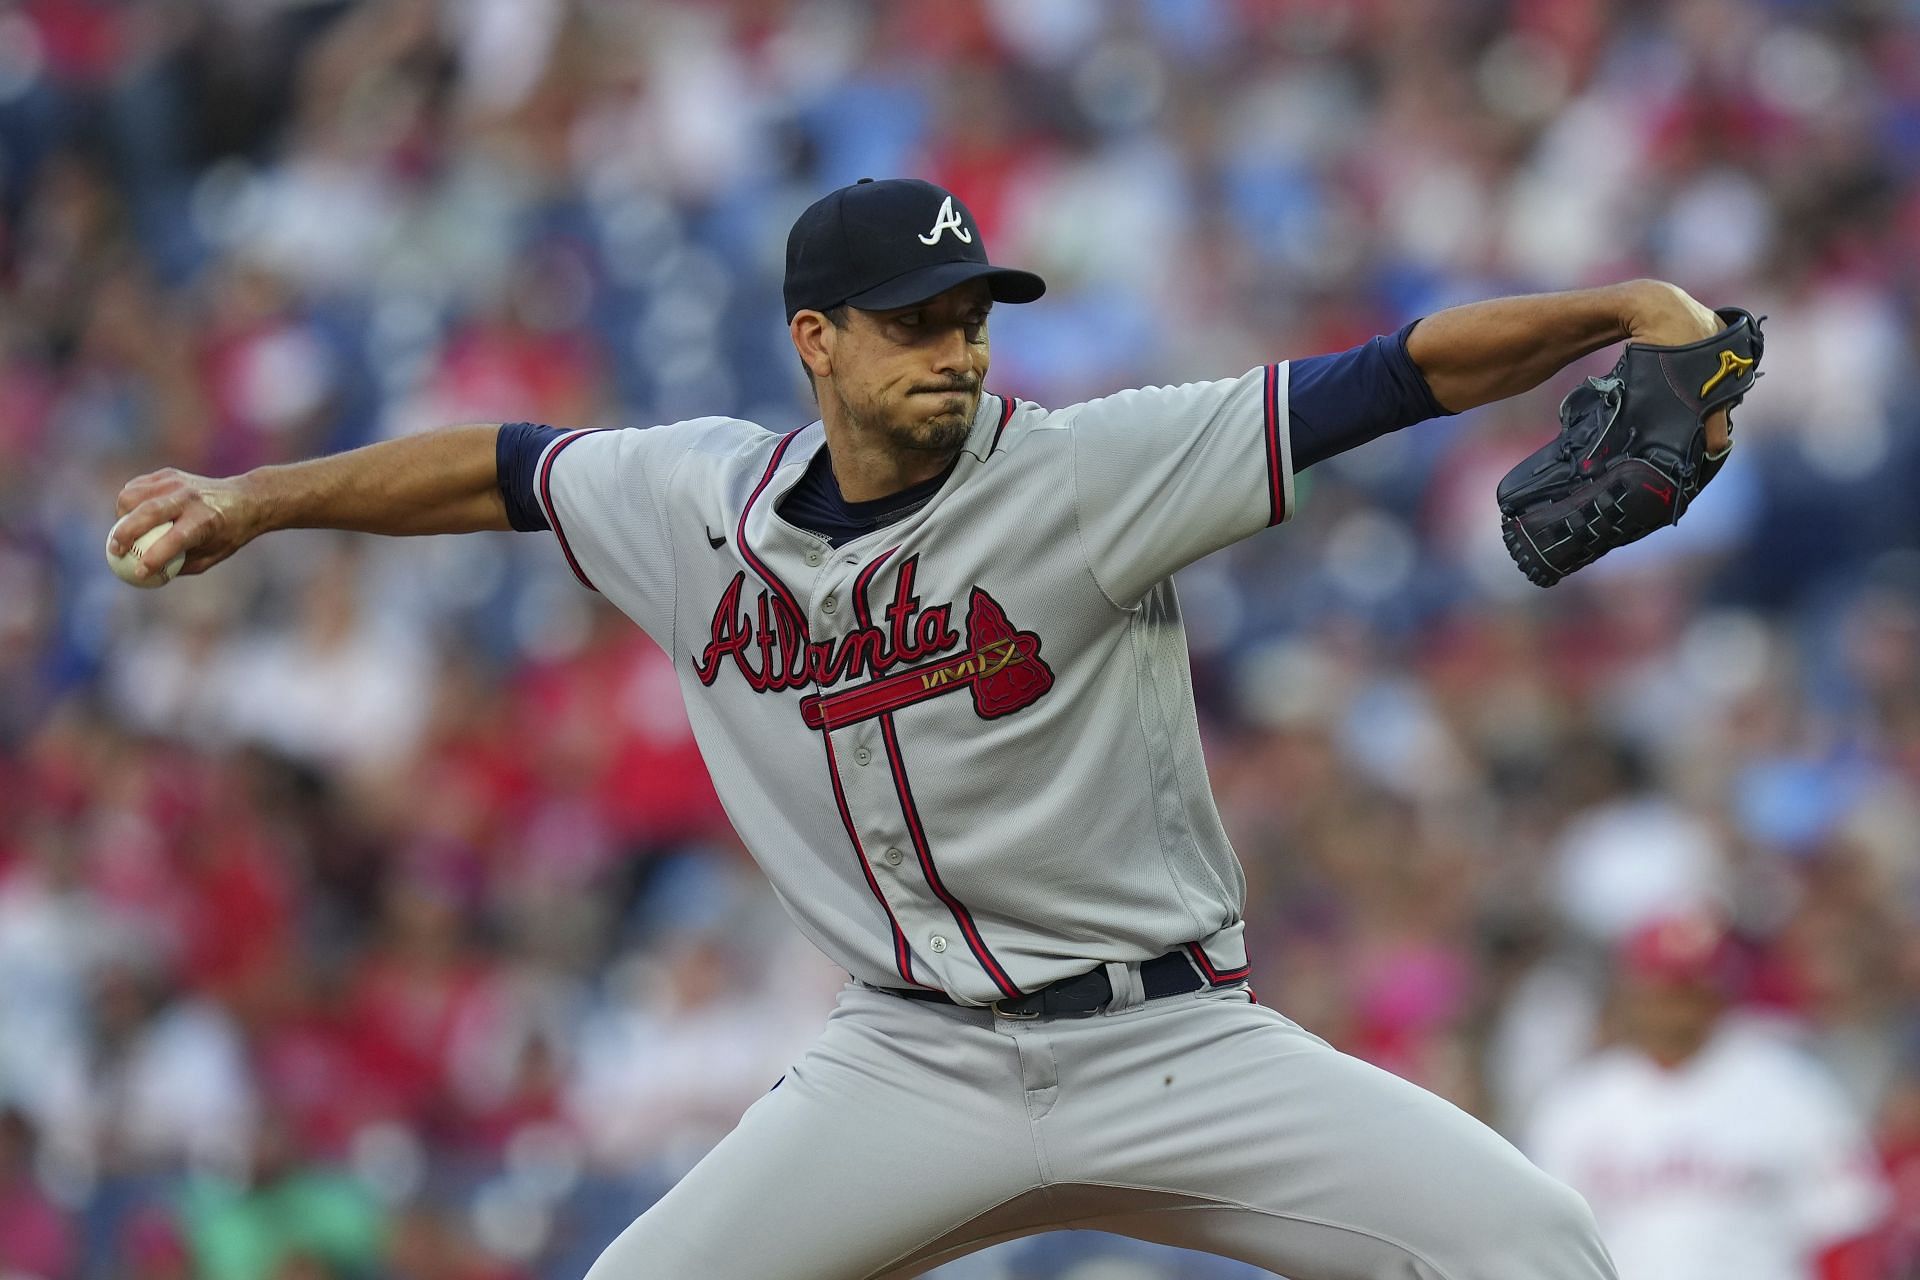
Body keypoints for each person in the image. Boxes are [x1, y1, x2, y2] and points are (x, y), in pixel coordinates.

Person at [109, 177, 1735, 1279]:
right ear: (817, 341)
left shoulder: (1088, 469)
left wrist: (1625, 304)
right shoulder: (691, 502)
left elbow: (1385, 378)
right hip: (910, 1057)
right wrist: (260, 498)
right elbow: (502, 468)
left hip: (1170, 1042)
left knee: (1534, 1249)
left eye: (971, 314)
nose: (957, 347)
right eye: (914, 321)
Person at [1525, 913, 1889, 1280]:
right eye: (1661, 988)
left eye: (1688, 987)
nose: (1674, 1005)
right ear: (1631, 993)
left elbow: (1845, 1222)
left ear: (1717, 992)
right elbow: (1545, 1244)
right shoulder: (1577, 1104)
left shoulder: (1791, 1088)